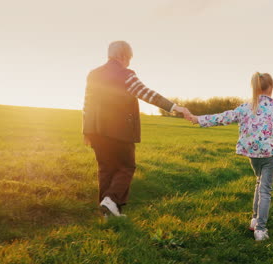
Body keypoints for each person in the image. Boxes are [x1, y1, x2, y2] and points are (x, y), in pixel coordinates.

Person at [187, 72, 273, 241]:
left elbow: (223, 117)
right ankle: (260, 229)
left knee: (259, 183)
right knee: (265, 189)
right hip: (270, 155)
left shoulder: (245, 107)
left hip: (253, 154)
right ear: (271, 87)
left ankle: (254, 219)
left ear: (254, 87)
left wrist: (197, 119)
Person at [82, 41, 191, 217]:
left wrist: (86, 130)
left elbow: (86, 103)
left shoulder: (93, 74)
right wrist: (174, 107)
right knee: (126, 167)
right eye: (129, 58)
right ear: (124, 56)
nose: (129, 62)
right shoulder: (125, 74)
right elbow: (147, 93)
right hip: (119, 130)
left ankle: (108, 212)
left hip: (96, 130)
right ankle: (111, 200)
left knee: (105, 168)